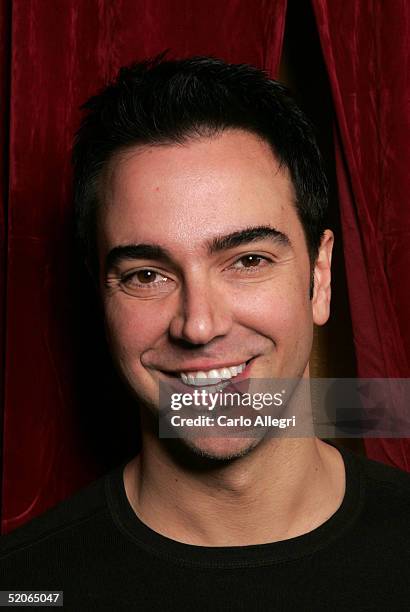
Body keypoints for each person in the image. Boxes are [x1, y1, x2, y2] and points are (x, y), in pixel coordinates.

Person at [1, 54, 410, 611]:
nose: (199, 325)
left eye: (247, 261)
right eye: (147, 274)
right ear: (101, 298)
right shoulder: (25, 588)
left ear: (319, 279)